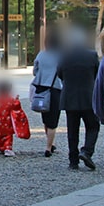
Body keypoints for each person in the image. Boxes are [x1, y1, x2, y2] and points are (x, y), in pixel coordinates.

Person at [59, 27, 101, 170]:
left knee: (72, 130)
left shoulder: (65, 55)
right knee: (93, 126)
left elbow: (60, 73)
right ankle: (87, 151)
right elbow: (97, 74)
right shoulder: (92, 55)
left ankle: (73, 160)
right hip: (88, 96)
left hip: (70, 97)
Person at [32, 30, 63, 158]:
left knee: (45, 116)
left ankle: (50, 142)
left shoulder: (41, 54)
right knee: (53, 120)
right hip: (55, 89)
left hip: (41, 88)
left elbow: (35, 71)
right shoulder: (61, 56)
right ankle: (49, 147)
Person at [0, 80, 27, 157]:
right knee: (8, 135)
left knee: (0, 135)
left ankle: (1, 147)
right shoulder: (10, 100)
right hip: (7, 121)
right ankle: (7, 149)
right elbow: (15, 105)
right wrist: (17, 100)